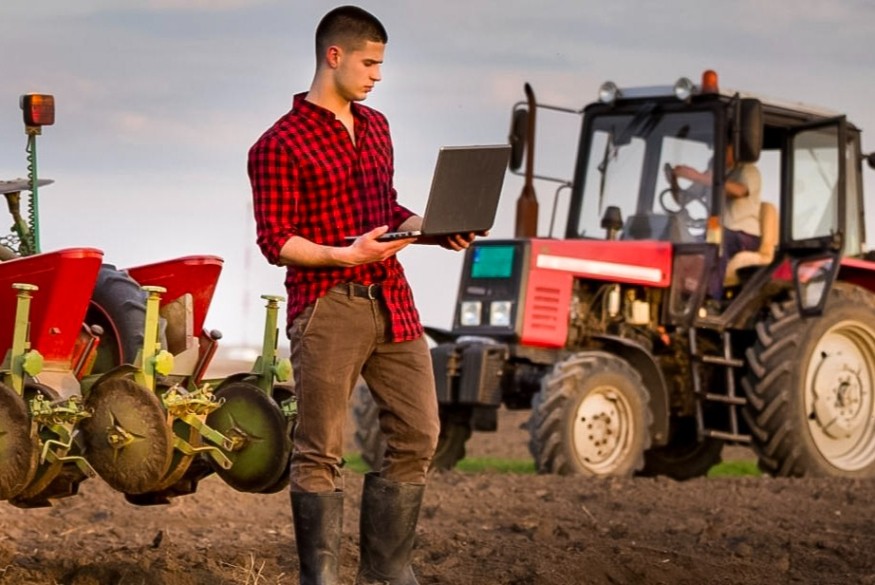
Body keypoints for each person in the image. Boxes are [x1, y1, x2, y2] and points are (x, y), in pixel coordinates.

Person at [247, 6, 479, 584]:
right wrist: (343, 254)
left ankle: (387, 572)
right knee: (320, 448)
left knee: (420, 433)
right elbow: (276, 241)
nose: (377, 74)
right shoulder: (277, 143)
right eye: (370, 63)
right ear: (335, 56)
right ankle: (319, 579)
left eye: (381, 64)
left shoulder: (377, 127)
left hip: (393, 301)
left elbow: (385, 210)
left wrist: (429, 226)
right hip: (328, 304)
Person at [669, 143, 761, 300]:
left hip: (743, 234)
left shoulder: (747, 170)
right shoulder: (712, 173)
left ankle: (710, 298)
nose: (718, 153)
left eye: (724, 148)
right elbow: (683, 199)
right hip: (715, 228)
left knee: (717, 244)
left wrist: (697, 176)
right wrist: (673, 181)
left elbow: (740, 191)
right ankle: (678, 295)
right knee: (686, 244)